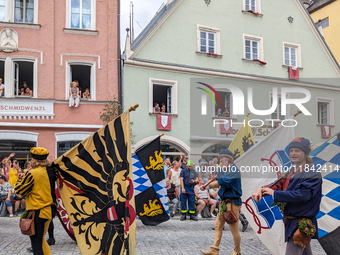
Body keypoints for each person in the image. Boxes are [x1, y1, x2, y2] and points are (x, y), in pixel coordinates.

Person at [252, 137, 322, 255]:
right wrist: (261, 189)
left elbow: (302, 195)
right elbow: (277, 185)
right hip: (292, 223)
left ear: (305, 153)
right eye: (291, 150)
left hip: (300, 223)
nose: (293, 153)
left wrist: (274, 194)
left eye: (297, 151)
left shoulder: (312, 172)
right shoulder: (291, 171)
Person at [15, 147, 56, 255]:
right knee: (41, 240)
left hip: (37, 212)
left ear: (33, 159)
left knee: (37, 244)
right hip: (49, 210)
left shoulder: (32, 173)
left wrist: (20, 180)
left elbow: (19, 190)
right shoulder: (51, 171)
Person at [201, 149, 242, 255]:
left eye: (222, 158)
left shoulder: (233, 170)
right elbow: (221, 183)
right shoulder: (227, 170)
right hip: (224, 202)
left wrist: (220, 173)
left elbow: (225, 182)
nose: (220, 160)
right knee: (218, 225)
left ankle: (237, 251)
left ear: (228, 158)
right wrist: (206, 186)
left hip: (232, 203)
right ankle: (214, 249)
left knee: (234, 229)